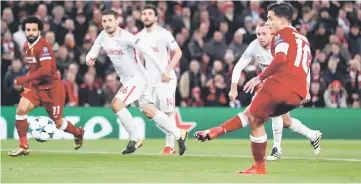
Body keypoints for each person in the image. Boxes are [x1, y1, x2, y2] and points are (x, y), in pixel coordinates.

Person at [195, 2, 316, 174]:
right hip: (298, 92)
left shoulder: (281, 36)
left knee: (253, 118)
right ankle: (217, 132)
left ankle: (257, 164)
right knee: (257, 116)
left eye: (270, 18)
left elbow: (281, 59)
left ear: (282, 20)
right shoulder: (303, 39)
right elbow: (305, 66)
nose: (268, 22)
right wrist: (307, 88)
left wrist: (259, 77)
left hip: (280, 85)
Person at [86, 10, 188, 155]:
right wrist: (90, 57)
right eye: (104, 21)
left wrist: (163, 71)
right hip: (129, 80)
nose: (107, 24)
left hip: (138, 78)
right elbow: (95, 48)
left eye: (110, 21)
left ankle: (135, 139)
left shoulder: (127, 37)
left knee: (117, 104)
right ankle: (179, 134)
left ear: (117, 21)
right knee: (149, 111)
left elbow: (148, 52)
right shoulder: (102, 36)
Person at [229, 23, 321, 161]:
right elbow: (238, 67)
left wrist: (306, 89)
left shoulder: (284, 46)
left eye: (264, 34)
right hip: (271, 83)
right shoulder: (254, 46)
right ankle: (313, 135)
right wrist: (233, 87)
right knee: (286, 121)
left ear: (273, 35)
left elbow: (304, 67)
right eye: (258, 34)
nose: (260, 37)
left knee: (275, 110)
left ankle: (277, 149)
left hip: (288, 84)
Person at [8, 16, 84, 157]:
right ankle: (23, 146)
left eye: (34, 30)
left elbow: (45, 71)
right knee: (20, 110)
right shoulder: (26, 47)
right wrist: (26, 83)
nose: (30, 32)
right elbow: (34, 69)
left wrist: (23, 79)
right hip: (36, 88)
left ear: (39, 32)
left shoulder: (44, 46)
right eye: (28, 30)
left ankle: (78, 133)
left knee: (58, 123)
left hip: (52, 90)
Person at [137, 4, 183, 155]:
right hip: (149, 81)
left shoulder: (164, 34)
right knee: (149, 112)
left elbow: (178, 52)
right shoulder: (138, 37)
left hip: (166, 80)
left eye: (150, 13)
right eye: (144, 13)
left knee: (168, 111)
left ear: (156, 17)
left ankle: (169, 146)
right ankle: (178, 133)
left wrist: (168, 70)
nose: (147, 16)